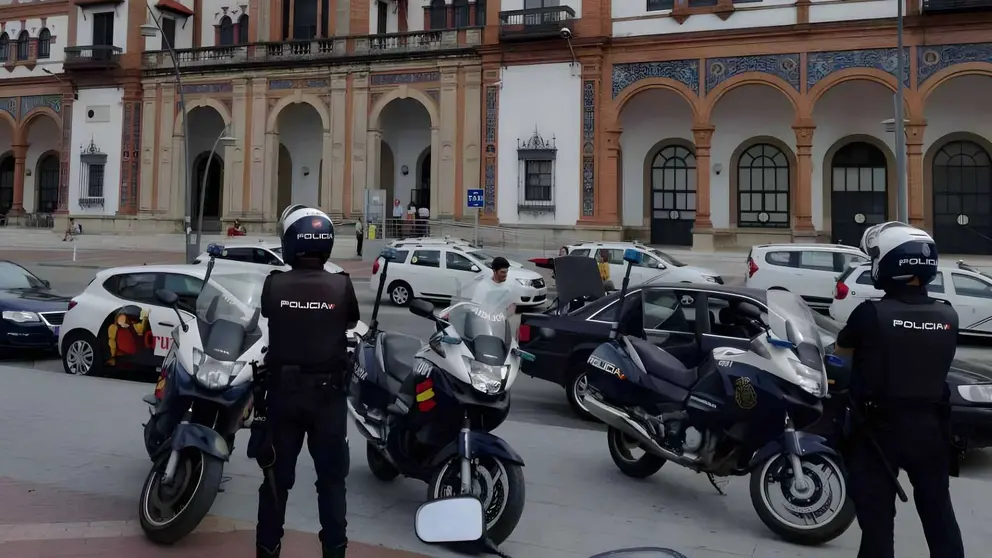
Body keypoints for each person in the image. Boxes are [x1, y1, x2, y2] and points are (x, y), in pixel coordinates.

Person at [834, 221, 964, 558]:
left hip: (879, 433)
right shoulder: (948, 315)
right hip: (931, 431)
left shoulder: (869, 314)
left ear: (890, 263)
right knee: (939, 517)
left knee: (877, 526)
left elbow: (840, 356)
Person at [251, 204, 360, 558]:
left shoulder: (274, 284)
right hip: (328, 400)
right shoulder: (342, 286)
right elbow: (350, 322)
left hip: (283, 395)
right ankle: (334, 552)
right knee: (331, 482)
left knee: (274, 482)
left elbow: (269, 314)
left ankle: (268, 549)